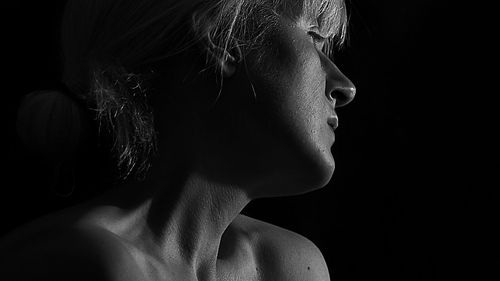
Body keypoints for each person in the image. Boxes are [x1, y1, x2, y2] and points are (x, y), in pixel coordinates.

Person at [0, 0, 355, 280]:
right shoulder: (82, 263)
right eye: (314, 36)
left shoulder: (291, 267)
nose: (345, 86)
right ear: (224, 41)